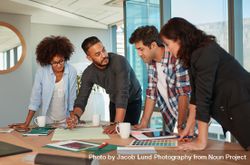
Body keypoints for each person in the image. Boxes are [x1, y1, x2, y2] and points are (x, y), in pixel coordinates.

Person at [160, 17, 250, 150]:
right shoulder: (192, 54)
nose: (167, 50)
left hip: (243, 103)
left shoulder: (205, 51)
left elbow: (204, 98)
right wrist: (189, 127)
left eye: (167, 44)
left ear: (178, 39)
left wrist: (201, 142)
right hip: (235, 105)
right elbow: (195, 96)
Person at [67, 36, 142, 134]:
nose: (103, 55)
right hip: (114, 101)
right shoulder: (89, 73)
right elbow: (82, 99)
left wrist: (117, 123)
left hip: (133, 100)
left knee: (127, 133)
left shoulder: (119, 61)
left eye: (103, 50)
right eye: (98, 54)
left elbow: (122, 93)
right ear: (89, 58)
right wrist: (76, 117)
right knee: (113, 133)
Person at [129, 26, 191, 133]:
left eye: (141, 49)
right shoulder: (150, 63)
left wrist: (181, 126)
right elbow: (151, 94)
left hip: (192, 118)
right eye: (137, 50)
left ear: (153, 45)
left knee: (198, 148)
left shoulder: (176, 58)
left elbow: (183, 95)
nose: (139, 54)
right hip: (175, 117)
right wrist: (143, 123)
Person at [9, 36, 77, 131]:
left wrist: (72, 120)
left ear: (65, 56)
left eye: (61, 61)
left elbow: (72, 99)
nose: (59, 65)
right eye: (55, 62)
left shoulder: (71, 71)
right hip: (47, 122)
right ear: (48, 61)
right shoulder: (41, 72)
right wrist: (26, 123)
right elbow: (35, 98)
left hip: (65, 122)